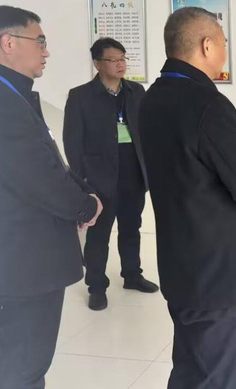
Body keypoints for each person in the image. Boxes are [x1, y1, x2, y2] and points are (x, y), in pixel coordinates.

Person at [139, 7, 236, 389]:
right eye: (224, 43)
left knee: (191, 368)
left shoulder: (151, 98)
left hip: (179, 265)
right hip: (217, 276)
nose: (226, 52)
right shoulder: (206, 104)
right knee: (219, 374)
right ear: (207, 45)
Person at [0, 5, 103, 388]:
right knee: (24, 368)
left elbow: (44, 164)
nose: (46, 51)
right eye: (40, 41)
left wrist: (80, 194)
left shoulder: (9, 94)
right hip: (22, 264)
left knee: (18, 364)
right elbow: (38, 177)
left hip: (14, 258)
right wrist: (85, 205)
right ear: (8, 42)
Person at [63, 38, 158, 312]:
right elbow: (72, 141)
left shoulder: (136, 91)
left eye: (123, 58)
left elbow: (147, 130)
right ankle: (96, 287)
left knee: (131, 227)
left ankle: (132, 275)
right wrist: (83, 181)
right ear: (97, 64)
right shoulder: (81, 96)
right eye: (113, 59)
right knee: (98, 234)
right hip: (99, 175)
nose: (120, 64)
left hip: (133, 171)